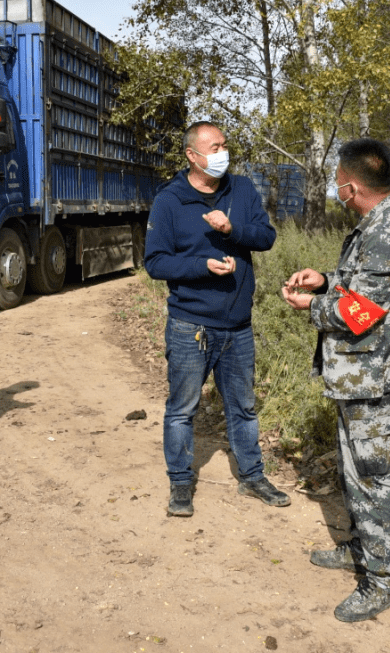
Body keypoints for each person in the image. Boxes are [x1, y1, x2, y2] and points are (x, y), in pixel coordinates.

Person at [281, 138, 390, 623]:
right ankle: (360, 550)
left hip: (376, 380)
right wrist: (325, 281)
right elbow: (361, 287)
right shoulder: (375, 225)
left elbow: (362, 312)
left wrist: (311, 306)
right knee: (354, 471)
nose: (335, 190)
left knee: (372, 476)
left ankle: (381, 582)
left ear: (351, 184)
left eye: (337, 182)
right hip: (358, 377)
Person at [144, 121, 290, 517]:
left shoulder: (241, 190)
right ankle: (180, 482)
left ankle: (252, 476)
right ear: (192, 155)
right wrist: (201, 265)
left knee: (242, 407)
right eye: (214, 146)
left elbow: (267, 237)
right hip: (191, 326)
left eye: (225, 145)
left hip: (238, 327)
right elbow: (155, 262)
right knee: (182, 410)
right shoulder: (170, 200)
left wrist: (233, 228)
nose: (223, 152)